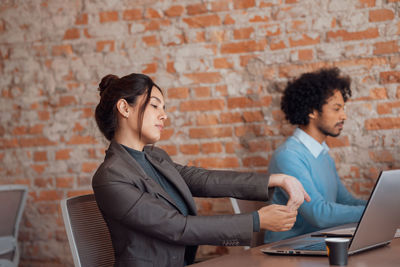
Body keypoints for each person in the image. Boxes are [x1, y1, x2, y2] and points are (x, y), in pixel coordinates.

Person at [92, 73, 310, 267]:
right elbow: (176, 227)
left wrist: (276, 179)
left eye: (164, 108)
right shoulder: (111, 177)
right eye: (155, 106)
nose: (164, 115)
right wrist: (256, 220)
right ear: (124, 108)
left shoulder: (155, 157)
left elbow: (204, 180)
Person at [264, 67, 367, 244]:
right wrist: (377, 211)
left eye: (343, 108)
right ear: (312, 111)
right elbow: (319, 214)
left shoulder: (322, 154)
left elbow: (346, 200)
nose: (344, 116)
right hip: (290, 248)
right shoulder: (289, 156)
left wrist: (380, 207)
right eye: (336, 109)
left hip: (319, 241)